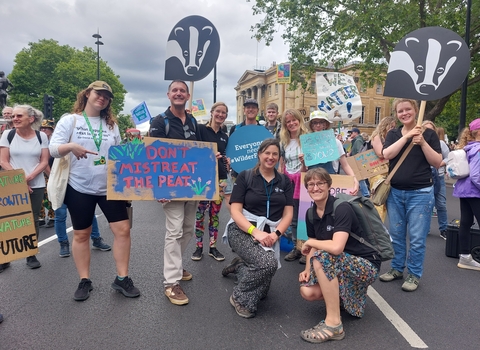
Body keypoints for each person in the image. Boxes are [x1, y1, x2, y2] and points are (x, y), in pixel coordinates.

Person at [49, 81, 139, 301]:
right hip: (79, 186)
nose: (103, 98)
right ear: (87, 94)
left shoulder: (111, 125)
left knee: (123, 230)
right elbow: (53, 149)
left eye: (107, 96)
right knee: (81, 234)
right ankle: (84, 280)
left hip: (109, 186)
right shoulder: (70, 120)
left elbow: (119, 154)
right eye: (99, 93)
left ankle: (122, 278)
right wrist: (71, 147)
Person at [298, 168, 380, 343]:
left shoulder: (341, 208)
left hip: (365, 264)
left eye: (320, 183)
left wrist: (311, 243)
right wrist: (306, 269)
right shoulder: (311, 213)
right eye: (311, 184)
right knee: (307, 291)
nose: (315, 187)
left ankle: (334, 325)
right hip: (341, 263)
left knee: (322, 258)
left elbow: (336, 248)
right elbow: (313, 243)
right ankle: (345, 296)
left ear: (329, 186)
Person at [222, 138, 293, 318]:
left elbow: (288, 214)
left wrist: (276, 234)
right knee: (267, 265)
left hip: (270, 234)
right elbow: (236, 212)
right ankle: (239, 298)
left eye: (274, 154)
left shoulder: (284, 181)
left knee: (263, 289)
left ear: (279, 157)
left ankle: (241, 267)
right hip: (242, 230)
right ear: (259, 154)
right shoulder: (245, 176)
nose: (270, 157)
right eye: (267, 153)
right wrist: (256, 232)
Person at [379, 98, 441, 292]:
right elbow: (386, 154)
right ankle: (397, 268)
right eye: (400, 111)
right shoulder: (393, 134)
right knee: (396, 235)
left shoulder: (429, 134)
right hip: (396, 192)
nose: (404, 113)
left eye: (408, 109)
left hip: (420, 193)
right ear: (396, 114)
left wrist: (422, 142)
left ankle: (414, 274)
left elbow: (437, 162)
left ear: (415, 110)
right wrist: (406, 137)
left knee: (416, 237)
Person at [149, 80, 201, 306]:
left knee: (188, 228)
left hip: (191, 186)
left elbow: (199, 150)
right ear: (168, 95)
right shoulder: (159, 121)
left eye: (182, 90)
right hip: (170, 186)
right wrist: (157, 185)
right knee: (175, 229)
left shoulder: (192, 120)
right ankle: (171, 282)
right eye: (175, 90)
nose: (179, 93)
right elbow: (152, 153)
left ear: (188, 96)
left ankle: (176, 263)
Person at [0, 105, 48, 269]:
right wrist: (20, 180)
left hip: (36, 185)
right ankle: (6, 256)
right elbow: (3, 161)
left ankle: (30, 254)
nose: (15, 119)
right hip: (13, 184)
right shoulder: (8, 135)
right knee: (11, 219)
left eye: (19, 116)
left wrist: (30, 177)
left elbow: (44, 161)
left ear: (31, 119)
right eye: (13, 116)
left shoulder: (41, 136)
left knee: (32, 219)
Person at [192, 102, 229, 262]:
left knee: (215, 215)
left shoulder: (224, 136)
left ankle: (212, 247)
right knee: (200, 214)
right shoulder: (200, 130)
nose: (221, 115)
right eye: (218, 112)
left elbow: (226, 156)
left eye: (224, 113)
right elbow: (194, 151)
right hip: (203, 177)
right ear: (212, 112)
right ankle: (198, 247)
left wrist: (228, 163)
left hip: (220, 178)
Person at [279, 109, 309, 263]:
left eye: (293, 120)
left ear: (299, 120)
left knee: (306, 216)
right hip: (288, 180)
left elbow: (311, 164)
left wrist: (305, 163)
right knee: (293, 217)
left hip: (303, 179)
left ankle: (306, 249)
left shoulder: (307, 139)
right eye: (288, 121)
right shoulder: (283, 141)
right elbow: (282, 162)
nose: (291, 123)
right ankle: (296, 247)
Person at [306, 110, 360, 191]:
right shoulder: (307, 144)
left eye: (321, 122)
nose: (318, 125)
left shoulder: (335, 142)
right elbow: (304, 169)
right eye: (315, 123)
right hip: (312, 184)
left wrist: (354, 179)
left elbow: (345, 165)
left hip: (330, 183)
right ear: (311, 126)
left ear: (325, 125)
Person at [452, 120, 480, 271]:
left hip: (465, 191)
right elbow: (476, 175)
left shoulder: (468, 148)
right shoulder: (479, 149)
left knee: (466, 222)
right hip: (476, 192)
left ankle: (465, 256)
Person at [423, 121, 449, 239]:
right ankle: (425, 229)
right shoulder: (419, 143)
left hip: (438, 176)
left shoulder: (441, 143)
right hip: (425, 177)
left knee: (441, 204)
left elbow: (449, 157)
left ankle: (444, 229)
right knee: (427, 205)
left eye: (431, 130)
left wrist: (441, 164)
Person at [370, 116, 396, 222]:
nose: (393, 129)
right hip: (377, 171)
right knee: (379, 199)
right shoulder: (377, 137)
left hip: (388, 171)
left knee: (387, 202)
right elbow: (381, 154)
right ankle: (376, 224)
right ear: (385, 126)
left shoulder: (392, 137)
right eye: (391, 127)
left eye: (394, 127)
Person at [38, 118, 55, 228]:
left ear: (51, 130)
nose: (44, 130)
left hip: (52, 172)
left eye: (46, 128)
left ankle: (52, 216)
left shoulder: (54, 144)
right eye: (42, 128)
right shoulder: (36, 141)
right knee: (39, 195)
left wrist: (52, 175)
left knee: (50, 195)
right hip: (38, 172)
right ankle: (40, 217)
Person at [349, 127, 370, 197]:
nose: (350, 134)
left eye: (351, 132)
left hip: (357, 162)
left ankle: (366, 194)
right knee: (358, 178)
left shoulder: (358, 141)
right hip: (356, 162)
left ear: (356, 133)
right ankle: (365, 193)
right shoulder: (356, 140)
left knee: (360, 178)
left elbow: (359, 152)